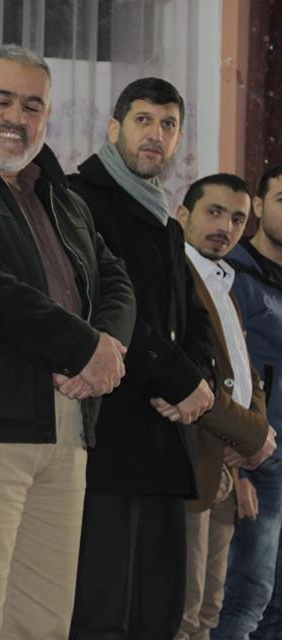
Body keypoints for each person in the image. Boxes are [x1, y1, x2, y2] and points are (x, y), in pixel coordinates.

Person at [0, 45, 136, 640]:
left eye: (32, 105)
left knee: (45, 621)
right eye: (2, 100)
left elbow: (115, 280)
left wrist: (107, 348)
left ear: (48, 117)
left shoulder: (62, 197)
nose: (16, 117)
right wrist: (80, 349)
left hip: (70, 433)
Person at [68, 77, 216, 639]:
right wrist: (176, 380)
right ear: (114, 128)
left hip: (165, 441)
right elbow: (109, 306)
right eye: (143, 121)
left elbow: (193, 315)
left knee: (159, 614)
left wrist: (194, 382)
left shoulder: (166, 220)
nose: (156, 135)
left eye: (168, 124)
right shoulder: (82, 200)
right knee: (102, 612)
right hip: (110, 438)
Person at [173, 173, 275, 639]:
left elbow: (244, 371)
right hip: (190, 460)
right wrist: (256, 436)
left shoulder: (224, 281)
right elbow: (193, 378)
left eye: (236, 219)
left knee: (209, 612)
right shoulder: (177, 277)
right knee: (184, 612)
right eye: (214, 212)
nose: (226, 227)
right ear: (183, 215)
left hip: (225, 469)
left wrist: (251, 440)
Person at [214, 163, 282, 640]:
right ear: (258, 205)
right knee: (243, 601)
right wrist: (237, 471)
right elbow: (225, 373)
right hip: (257, 461)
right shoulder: (232, 274)